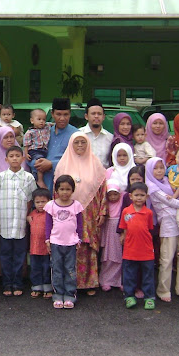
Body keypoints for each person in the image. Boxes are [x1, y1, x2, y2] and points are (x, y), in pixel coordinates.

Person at [54, 132, 107, 296]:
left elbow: (103, 189)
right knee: (69, 245)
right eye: (76, 143)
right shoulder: (63, 165)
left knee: (87, 244)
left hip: (90, 211)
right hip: (67, 211)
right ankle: (70, 282)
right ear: (71, 144)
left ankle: (90, 282)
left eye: (83, 143)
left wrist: (102, 211)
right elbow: (55, 192)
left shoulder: (96, 163)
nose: (80, 146)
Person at [146, 157, 179, 302]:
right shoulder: (151, 187)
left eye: (162, 167)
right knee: (166, 259)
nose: (160, 171)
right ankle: (163, 290)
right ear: (149, 170)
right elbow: (169, 201)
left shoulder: (168, 181)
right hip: (167, 226)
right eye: (156, 168)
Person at [0, 145, 37, 296]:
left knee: (19, 254)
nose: (15, 159)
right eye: (11, 156)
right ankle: (7, 283)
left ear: (23, 158)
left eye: (18, 156)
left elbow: (30, 200)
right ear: (6, 159)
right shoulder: (0, 177)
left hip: (20, 223)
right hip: (4, 223)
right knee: (5, 254)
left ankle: (18, 283)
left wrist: (26, 217)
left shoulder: (28, 178)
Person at [44, 175, 84, 309]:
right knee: (57, 269)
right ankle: (58, 294)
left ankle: (70, 295)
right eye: (62, 189)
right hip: (55, 242)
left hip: (71, 243)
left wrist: (79, 239)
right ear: (56, 190)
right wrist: (48, 240)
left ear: (72, 190)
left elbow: (79, 224)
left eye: (68, 189)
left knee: (70, 269)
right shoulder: (51, 205)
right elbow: (48, 224)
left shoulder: (76, 205)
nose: (65, 192)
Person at [119, 182, 156, 310]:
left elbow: (150, 229)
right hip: (130, 249)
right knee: (129, 274)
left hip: (146, 250)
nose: (139, 198)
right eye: (136, 195)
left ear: (147, 197)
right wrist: (123, 238)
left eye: (142, 195)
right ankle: (129, 296)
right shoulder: (126, 211)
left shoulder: (148, 213)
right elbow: (124, 228)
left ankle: (149, 297)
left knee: (148, 275)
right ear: (130, 196)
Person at [34, 98, 78, 191]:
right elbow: (32, 151)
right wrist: (37, 163)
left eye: (65, 114)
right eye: (58, 114)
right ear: (52, 114)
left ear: (70, 114)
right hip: (42, 184)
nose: (62, 118)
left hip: (65, 187)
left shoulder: (76, 135)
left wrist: (52, 164)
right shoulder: (44, 131)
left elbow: (78, 161)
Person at [28, 187, 52, 298]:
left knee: (47, 267)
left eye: (43, 202)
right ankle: (36, 285)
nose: (40, 204)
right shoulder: (32, 214)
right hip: (34, 248)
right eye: (37, 202)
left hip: (46, 248)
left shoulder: (50, 214)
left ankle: (47, 286)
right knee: (35, 268)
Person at [100, 179, 124, 293]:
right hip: (109, 230)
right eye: (110, 195)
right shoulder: (105, 205)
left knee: (119, 256)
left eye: (116, 194)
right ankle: (106, 280)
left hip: (118, 229)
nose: (113, 197)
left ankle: (119, 281)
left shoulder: (123, 202)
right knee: (108, 257)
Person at [23, 108, 52, 187]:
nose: (42, 121)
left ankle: (35, 176)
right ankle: (40, 180)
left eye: (44, 119)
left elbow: (53, 124)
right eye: (39, 119)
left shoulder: (47, 127)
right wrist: (25, 153)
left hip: (44, 150)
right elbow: (26, 143)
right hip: (34, 150)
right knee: (40, 161)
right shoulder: (30, 132)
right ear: (32, 121)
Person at [79, 98, 112, 168]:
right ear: (86, 116)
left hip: (104, 177)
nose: (96, 116)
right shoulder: (78, 135)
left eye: (99, 114)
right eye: (93, 113)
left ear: (103, 117)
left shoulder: (110, 138)